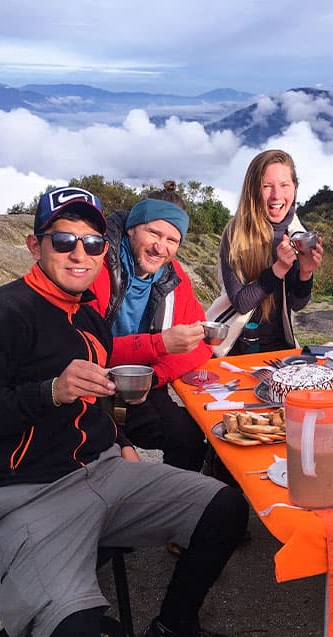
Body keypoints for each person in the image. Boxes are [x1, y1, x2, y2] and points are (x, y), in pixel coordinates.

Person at [0, 186, 249, 637]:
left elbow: (102, 397)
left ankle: (172, 630)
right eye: (64, 240)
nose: (79, 253)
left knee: (225, 507)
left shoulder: (89, 317)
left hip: (102, 471)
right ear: (34, 245)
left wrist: (121, 438)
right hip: (25, 494)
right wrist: (48, 392)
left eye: (91, 243)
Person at [89, 182, 210, 471]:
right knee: (107, 466)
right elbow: (82, 349)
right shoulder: (97, 266)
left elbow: (203, 344)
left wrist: (153, 377)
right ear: (132, 227)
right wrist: (159, 345)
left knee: (188, 436)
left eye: (172, 239)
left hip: (141, 388)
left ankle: (179, 507)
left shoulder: (174, 276)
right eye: (153, 232)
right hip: (89, 390)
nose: (160, 247)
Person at [219, 149, 323, 353]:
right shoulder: (236, 234)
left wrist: (306, 273)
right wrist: (279, 269)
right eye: (266, 186)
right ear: (253, 190)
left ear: (295, 187)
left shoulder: (298, 233)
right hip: (236, 349)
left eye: (285, 185)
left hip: (281, 348)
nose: (276, 196)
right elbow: (241, 302)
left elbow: (295, 303)